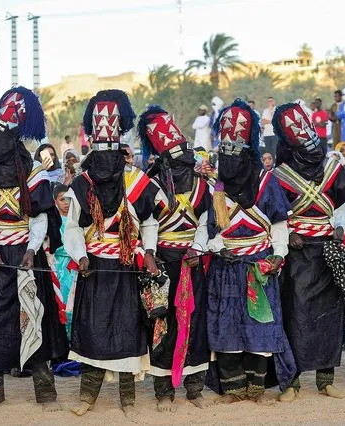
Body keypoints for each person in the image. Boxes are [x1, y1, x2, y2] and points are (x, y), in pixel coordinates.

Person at [0, 86, 67, 413]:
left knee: (34, 318)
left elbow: (39, 217)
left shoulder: (34, 174)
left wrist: (31, 248)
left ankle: (44, 388)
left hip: (26, 257)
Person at [63, 89, 161, 418]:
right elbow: (72, 228)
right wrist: (81, 257)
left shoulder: (137, 181)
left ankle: (128, 398)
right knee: (91, 330)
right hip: (94, 269)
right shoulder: (82, 184)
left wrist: (148, 252)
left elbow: (149, 222)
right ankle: (87, 396)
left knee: (127, 329)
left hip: (127, 266)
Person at [205, 98, 296, 404]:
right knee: (227, 325)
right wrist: (217, 248)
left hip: (259, 266)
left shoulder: (267, 183)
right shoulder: (216, 188)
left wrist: (278, 254)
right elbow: (210, 229)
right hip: (226, 268)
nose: (229, 162)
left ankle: (257, 386)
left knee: (260, 325)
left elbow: (279, 224)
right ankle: (233, 388)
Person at [272, 102, 345, 401]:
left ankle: (326, 379)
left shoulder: (333, 166)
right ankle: (292, 382)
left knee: (329, 317)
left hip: (328, 252)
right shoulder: (280, 175)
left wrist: (340, 225)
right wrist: (291, 232)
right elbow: (275, 214)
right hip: (297, 256)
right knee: (294, 316)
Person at [138, 105, 213, 412]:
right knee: (162, 323)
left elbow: (208, 221)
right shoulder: (151, 186)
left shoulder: (203, 186)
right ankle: (163, 390)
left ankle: (194, 388)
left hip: (192, 262)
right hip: (164, 264)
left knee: (196, 321)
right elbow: (146, 224)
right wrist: (151, 255)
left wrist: (198, 247)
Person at [49, 184, 77, 339]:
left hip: (76, 266)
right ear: (55, 201)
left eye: (68, 199)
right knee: (62, 302)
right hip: (59, 266)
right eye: (62, 200)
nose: (66, 203)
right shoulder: (53, 221)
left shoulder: (78, 219)